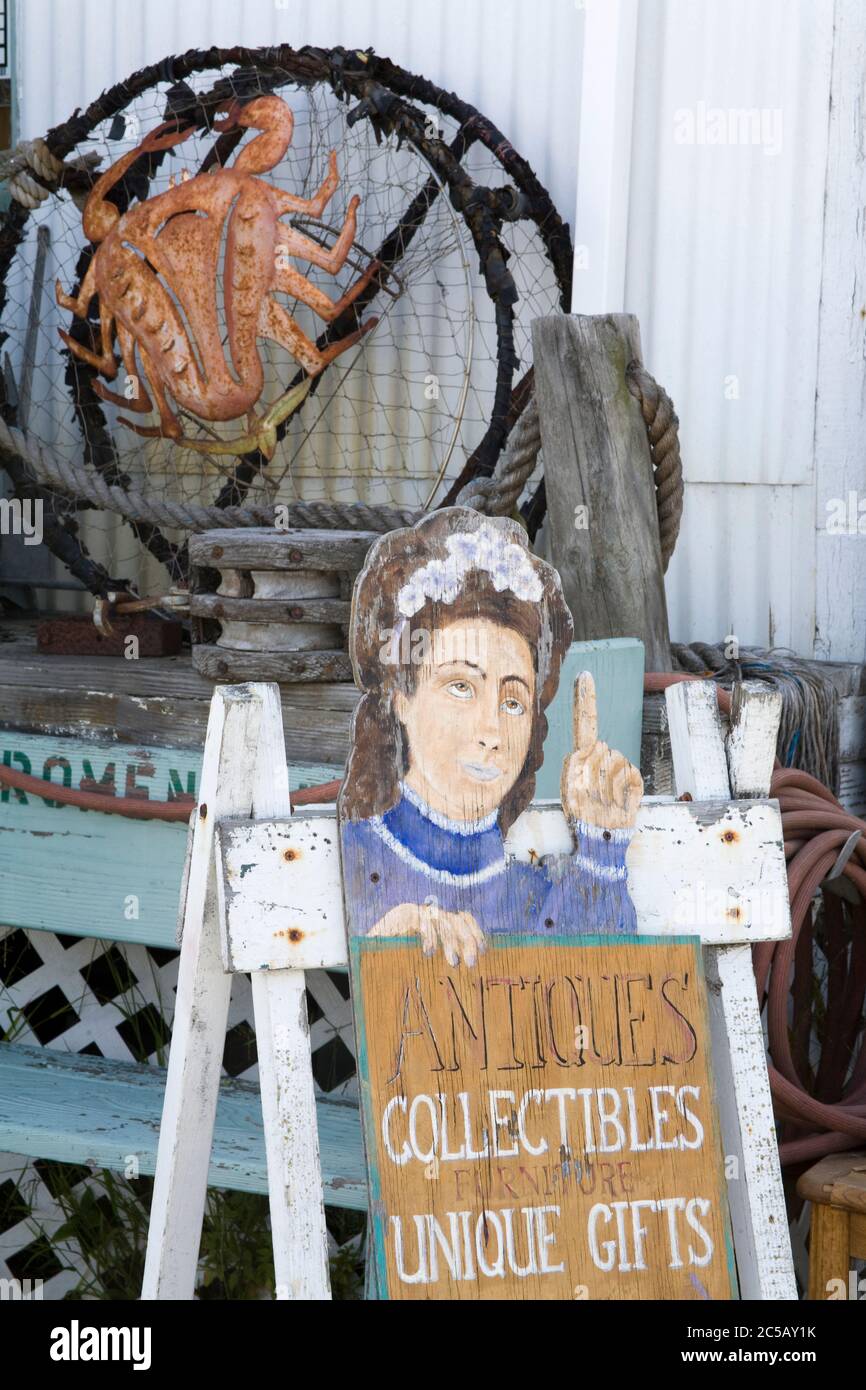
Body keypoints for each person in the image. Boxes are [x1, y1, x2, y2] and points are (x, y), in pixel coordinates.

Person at [338, 509, 643, 964]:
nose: (491, 732)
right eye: (461, 687)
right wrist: (393, 938)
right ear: (402, 697)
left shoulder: (527, 887)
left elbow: (601, 992)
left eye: (513, 702)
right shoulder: (364, 853)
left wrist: (602, 843)